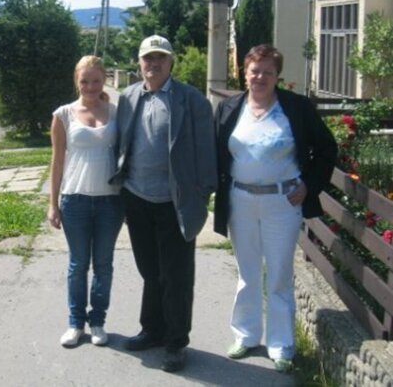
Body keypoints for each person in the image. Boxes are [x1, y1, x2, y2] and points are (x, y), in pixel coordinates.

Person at [214, 44, 337, 373]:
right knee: (247, 272)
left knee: (280, 275)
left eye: (268, 71)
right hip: (240, 199)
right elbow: (217, 153)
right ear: (245, 72)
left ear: (277, 75)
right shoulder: (229, 108)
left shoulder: (295, 109)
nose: (260, 77)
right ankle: (246, 335)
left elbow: (327, 148)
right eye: (255, 70)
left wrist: (309, 184)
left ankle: (282, 344)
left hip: (282, 202)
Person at [110, 35, 217, 372]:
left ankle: (175, 342)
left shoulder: (191, 99)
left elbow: (206, 152)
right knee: (150, 271)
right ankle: (152, 329)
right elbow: (120, 143)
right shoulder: (128, 97)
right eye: (147, 59)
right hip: (137, 198)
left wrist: (201, 195)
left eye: (160, 58)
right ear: (139, 62)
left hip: (175, 201)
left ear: (171, 62)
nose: (153, 64)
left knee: (177, 275)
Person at [48, 55, 124, 348]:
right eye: (84, 81)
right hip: (75, 200)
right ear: (76, 82)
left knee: (103, 264)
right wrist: (52, 204)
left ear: (103, 79)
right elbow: (56, 162)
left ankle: (98, 323)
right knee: (78, 265)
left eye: (95, 80)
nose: (90, 86)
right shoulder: (63, 114)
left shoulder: (117, 112)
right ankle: (75, 323)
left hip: (111, 202)